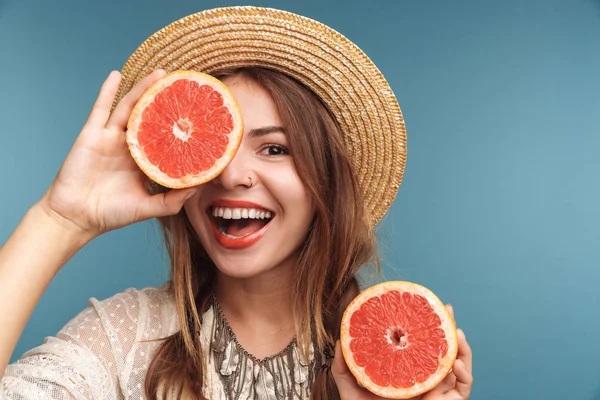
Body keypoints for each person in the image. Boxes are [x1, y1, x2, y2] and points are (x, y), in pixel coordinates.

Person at [0, 6, 473, 400]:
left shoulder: (389, 359)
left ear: (325, 179)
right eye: (213, 150)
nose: (230, 175)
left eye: (274, 149)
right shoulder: (122, 337)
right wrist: (58, 220)